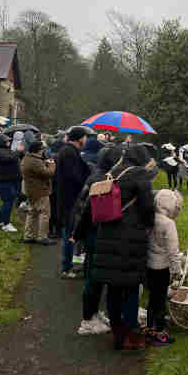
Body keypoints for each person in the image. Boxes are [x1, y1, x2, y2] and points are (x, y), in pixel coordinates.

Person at [91, 144, 156, 351]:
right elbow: (147, 207)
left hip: (108, 232)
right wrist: (148, 225)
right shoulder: (139, 175)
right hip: (130, 237)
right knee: (130, 287)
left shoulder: (113, 172)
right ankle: (131, 335)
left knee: (113, 287)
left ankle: (117, 332)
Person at [72, 146, 123, 336]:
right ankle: (87, 321)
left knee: (94, 277)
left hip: (91, 234)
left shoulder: (96, 175)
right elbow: (87, 210)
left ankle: (93, 314)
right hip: (97, 235)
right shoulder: (103, 180)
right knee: (94, 279)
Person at [144, 189, 183, 346]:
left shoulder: (150, 218)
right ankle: (159, 333)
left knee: (152, 299)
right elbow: (173, 251)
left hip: (149, 264)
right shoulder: (168, 224)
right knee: (160, 300)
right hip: (161, 267)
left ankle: (150, 327)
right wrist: (177, 271)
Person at [56, 127, 90, 279]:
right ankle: (66, 268)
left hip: (68, 198)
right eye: (85, 137)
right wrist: (85, 184)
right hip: (69, 199)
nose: (86, 140)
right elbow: (73, 175)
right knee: (69, 234)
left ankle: (69, 264)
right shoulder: (69, 152)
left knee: (70, 233)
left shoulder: (69, 151)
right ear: (79, 138)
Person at [20, 141, 57, 245]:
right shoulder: (35, 161)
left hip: (30, 190)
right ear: (38, 150)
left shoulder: (27, 158)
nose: (43, 151)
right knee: (44, 214)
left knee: (32, 213)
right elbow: (47, 173)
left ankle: (28, 236)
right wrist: (51, 164)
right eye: (42, 149)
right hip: (39, 191)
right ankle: (42, 237)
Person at [0, 134, 24, 232]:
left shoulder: (4, 151)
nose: (9, 142)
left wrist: (20, 152)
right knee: (8, 201)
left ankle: (1, 221)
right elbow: (9, 158)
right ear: (2, 142)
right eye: (7, 141)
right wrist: (18, 151)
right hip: (3, 181)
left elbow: (12, 156)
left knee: (7, 201)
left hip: (7, 180)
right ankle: (6, 224)